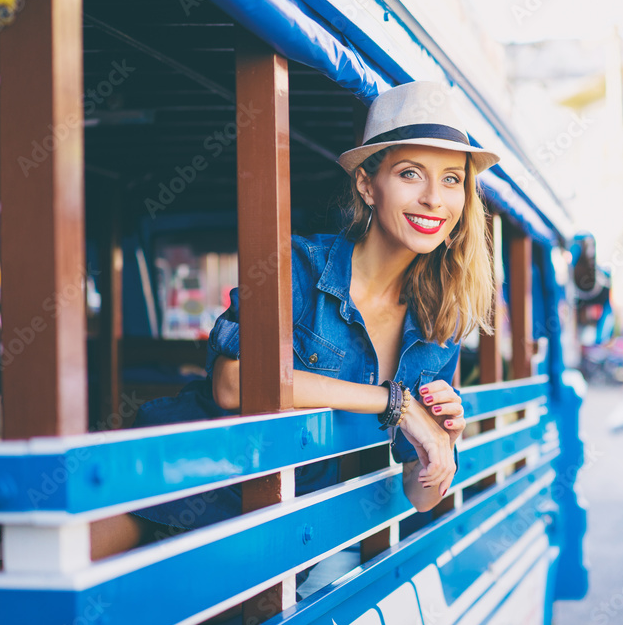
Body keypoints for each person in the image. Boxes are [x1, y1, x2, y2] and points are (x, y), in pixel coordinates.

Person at [90, 81, 499, 559]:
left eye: (451, 179)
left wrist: (444, 444)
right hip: (169, 482)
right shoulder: (298, 267)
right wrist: (398, 405)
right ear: (367, 185)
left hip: (267, 535)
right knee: (9, 593)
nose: (434, 198)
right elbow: (230, 383)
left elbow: (419, 494)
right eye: (411, 173)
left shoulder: (438, 323)